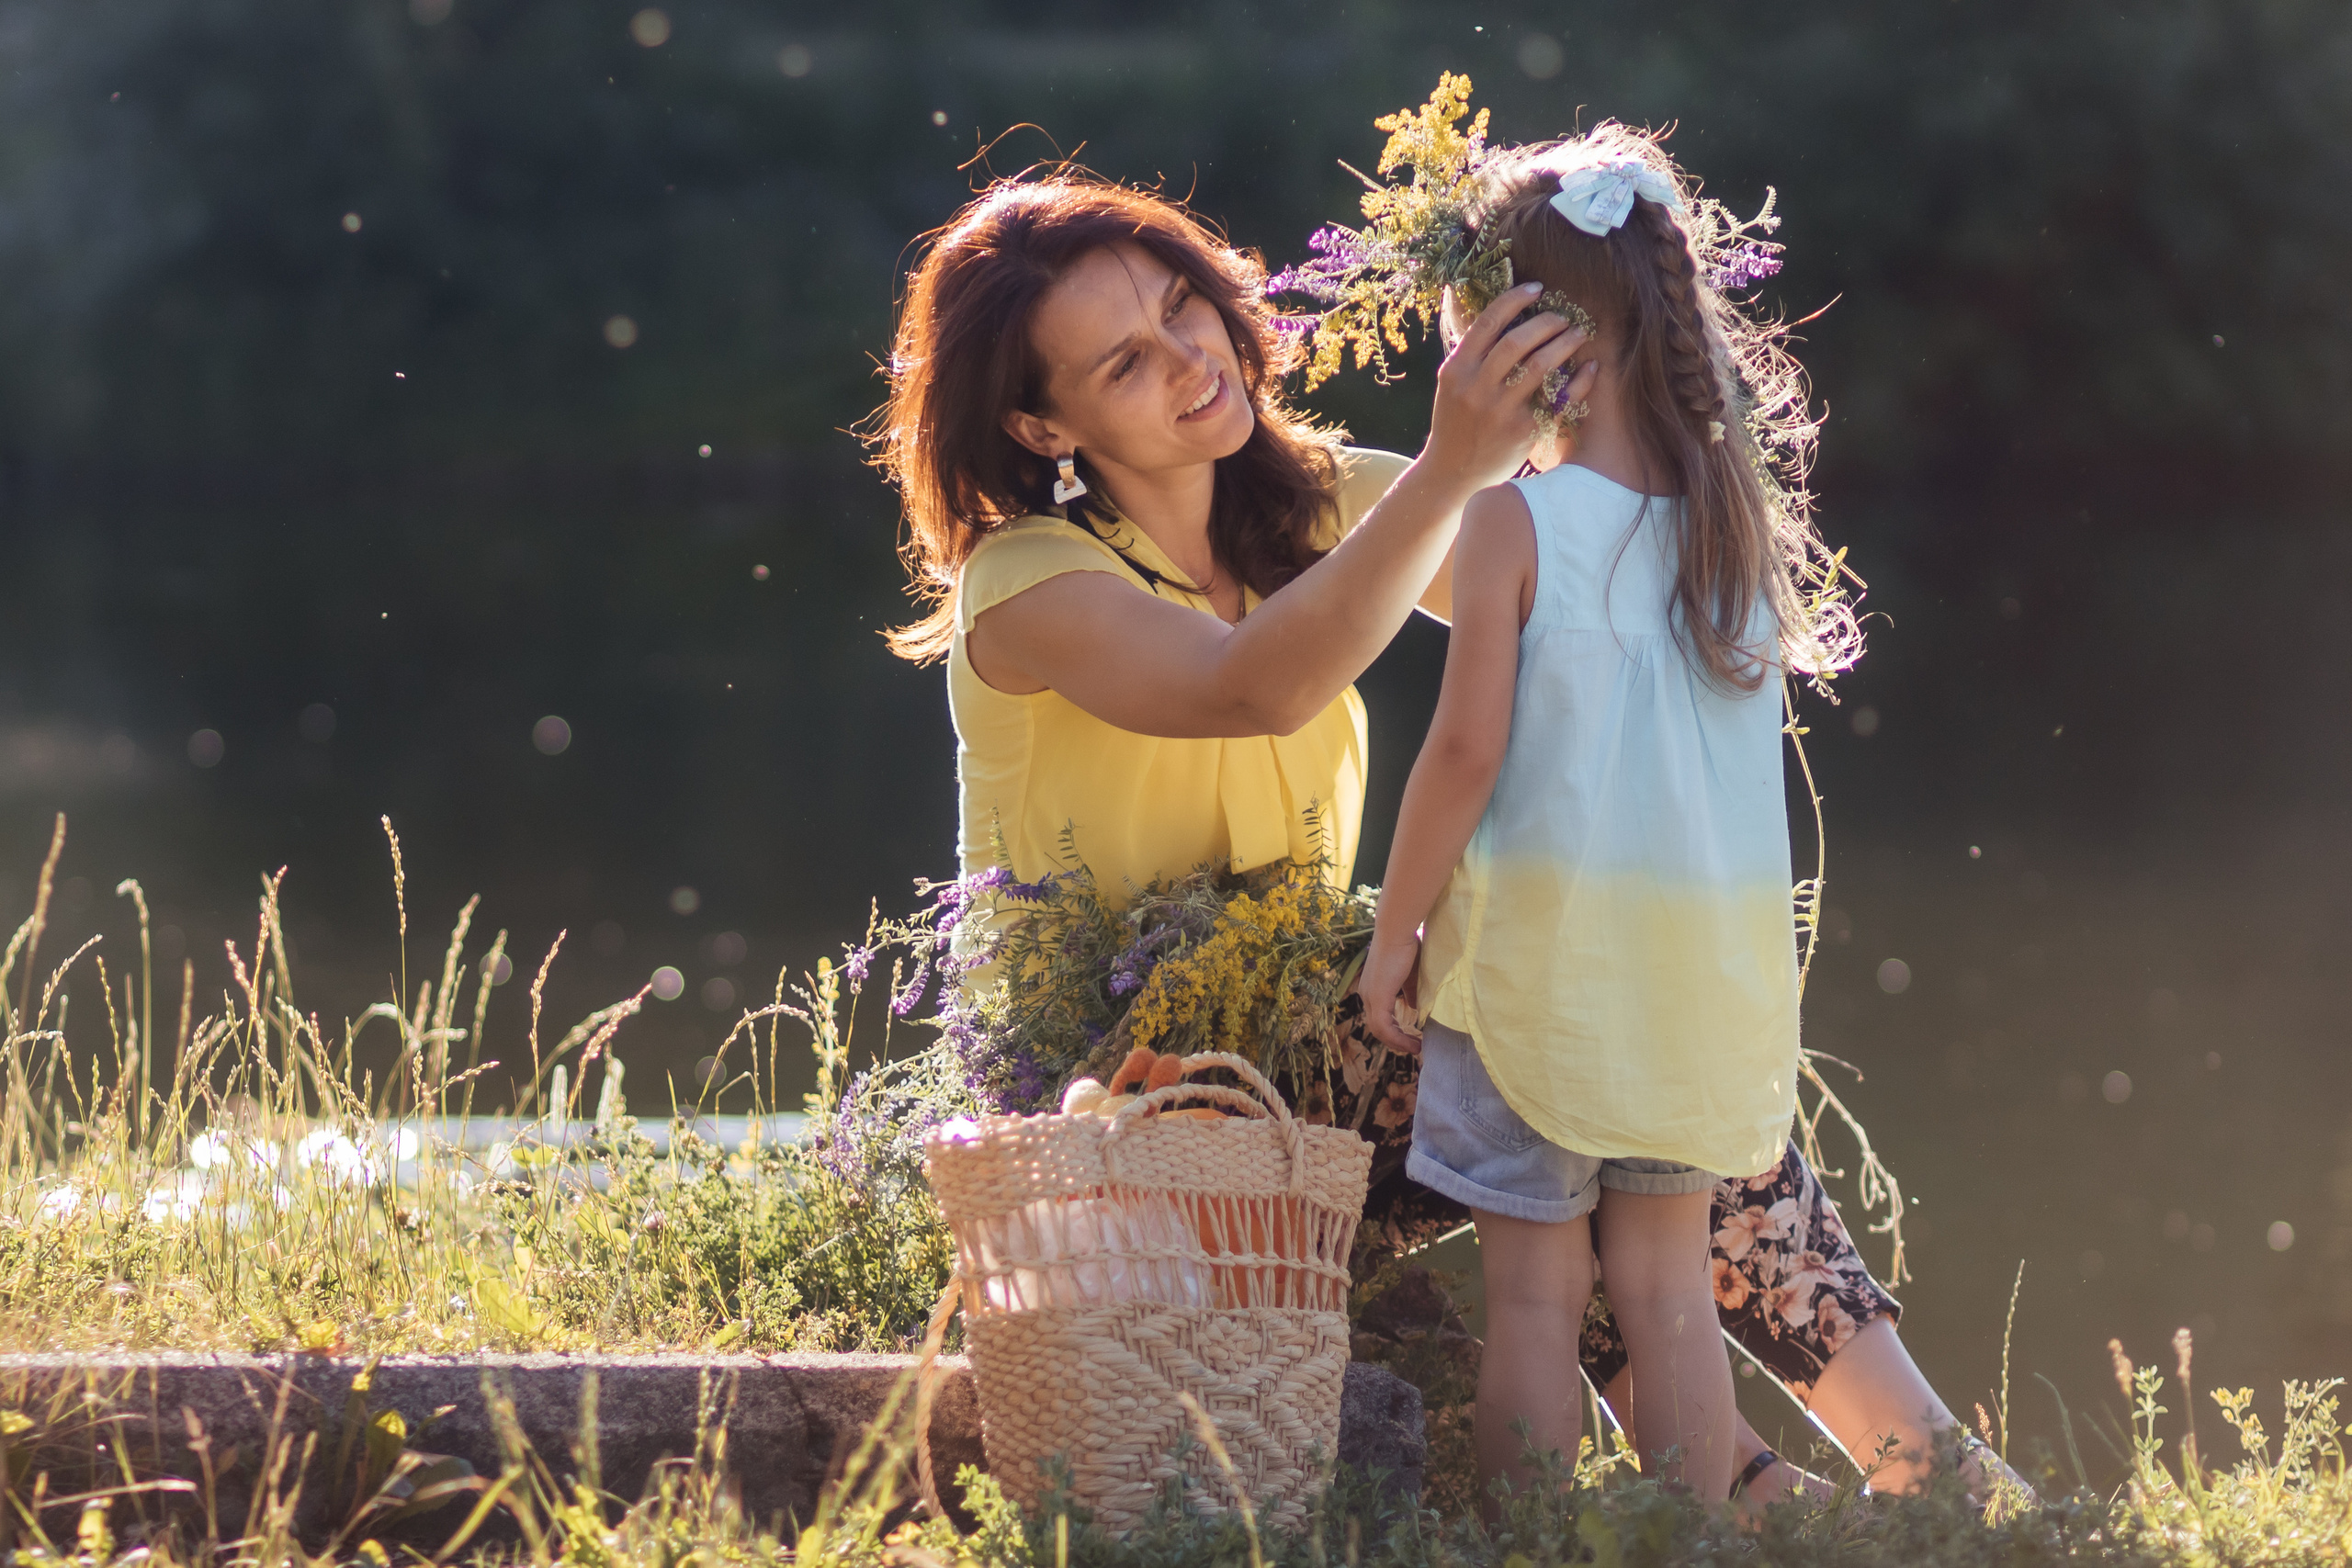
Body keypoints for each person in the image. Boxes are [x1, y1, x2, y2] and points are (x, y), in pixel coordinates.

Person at [872, 170, 2019, 1508]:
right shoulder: (1026, 586)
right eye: (1126, 361)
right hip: (1121, 1114)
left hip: (1324, 1049)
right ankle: (1877, 1490)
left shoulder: (1321, 506)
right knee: (1543, 1024)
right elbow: (1253, 682)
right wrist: (1454, 468)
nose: (1190, 357)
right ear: (1038, 420)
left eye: (1186, 305)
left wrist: (1558, 282)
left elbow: (1585, 547)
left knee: (1590, 1022)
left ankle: (1847, 1484)